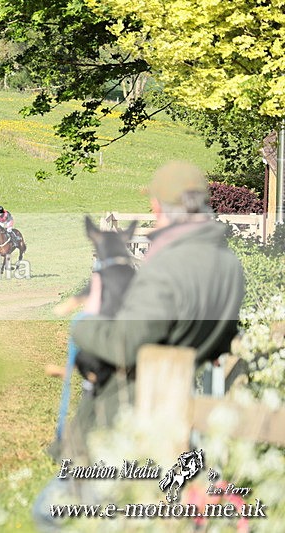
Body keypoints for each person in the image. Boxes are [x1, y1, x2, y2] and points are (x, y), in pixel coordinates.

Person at [32, 161, 245, 531]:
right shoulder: (229, 265)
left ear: (159, 208)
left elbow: (124, 344)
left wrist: (86, 322)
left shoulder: (167, 267)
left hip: (129, 415)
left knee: (51, 514)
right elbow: (222, 339)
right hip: (183, 410)